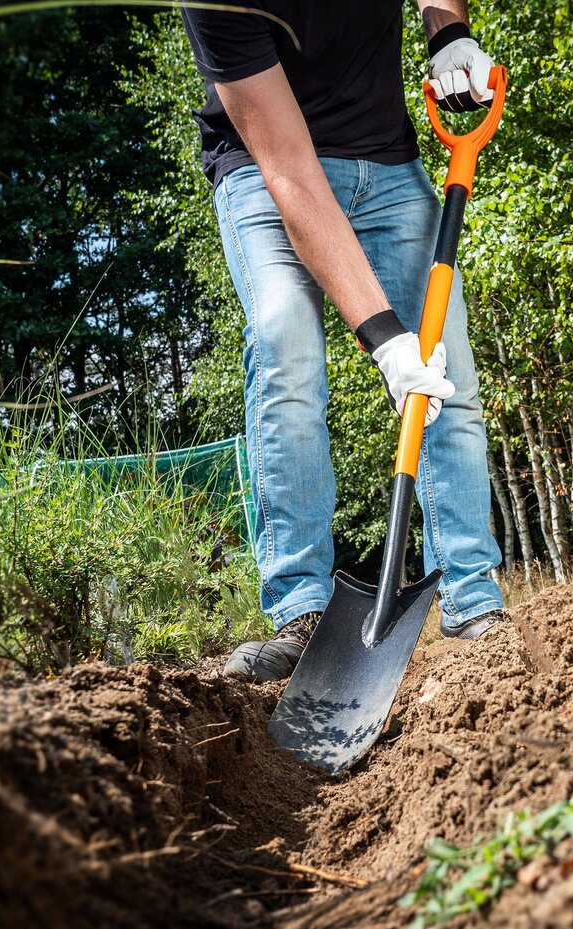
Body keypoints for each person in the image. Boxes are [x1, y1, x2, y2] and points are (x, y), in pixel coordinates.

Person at [181, 1, 506, 681]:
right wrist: (387, 343)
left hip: (386, 162)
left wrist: (450, 32)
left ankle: (474, 602)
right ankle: (301, 611)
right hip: (268, 173)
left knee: (449, 367)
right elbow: (292, 174)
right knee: (284, 341)